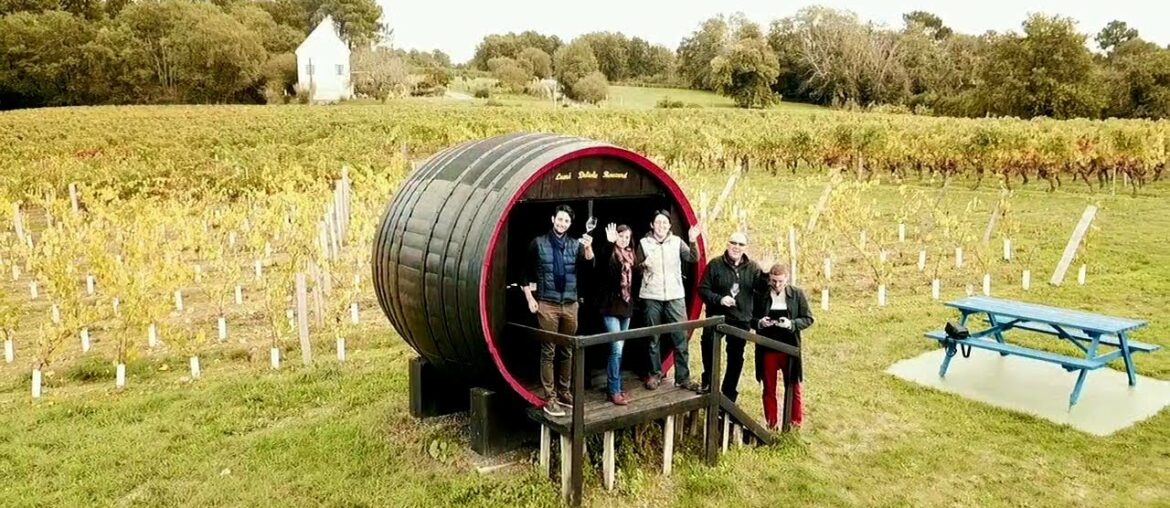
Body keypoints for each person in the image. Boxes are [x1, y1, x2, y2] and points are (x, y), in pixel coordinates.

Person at [522, 204, 595, 417]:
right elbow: (524, 274)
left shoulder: (575, 244)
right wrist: (530, 299)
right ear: (553, 219)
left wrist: (589, 247)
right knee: (549, 350)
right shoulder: (538, 243)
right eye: (560, 219)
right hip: (547, 304)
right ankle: (550, 397)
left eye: (567, 221)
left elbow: (590, 266)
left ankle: (565, 392)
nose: (562, 223)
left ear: (570, 224)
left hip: (570, 304)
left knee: (567, 350)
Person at [637, 209, 702, 392]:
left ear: (669, 225)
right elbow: (634, 268)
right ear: (652, 225)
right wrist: (643, 265)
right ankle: (654, 374)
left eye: (665, 223)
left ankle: (683, 377)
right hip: (651, 296)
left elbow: (693, 258)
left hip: (675, 295)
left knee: (680, 337)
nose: (661, 226)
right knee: (653, 338)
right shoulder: (644, 243)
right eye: (658, 223)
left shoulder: (677, 242)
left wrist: (692, 239)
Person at [698, 231, 764, 402]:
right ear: (727, 244)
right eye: (733, 243)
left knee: (735, 358)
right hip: (717, 316)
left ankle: (728, 395)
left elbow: (762, 290)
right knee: (708, 347)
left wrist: (765, 274)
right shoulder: (715, 265)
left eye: (741, 244)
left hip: (740, 319)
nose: (736, 247)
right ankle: (709, 384)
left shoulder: (753, 268)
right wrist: (720, 300)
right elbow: (703, 290)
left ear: (745, 247)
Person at [753, 263, 814, 430]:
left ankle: (794, 424)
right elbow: (751, 318)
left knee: (793, 386)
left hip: (789, 348)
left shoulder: (796, 294)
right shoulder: (762, 295)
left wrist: (791, 324)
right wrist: (760, 322)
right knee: (769, 388)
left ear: (787, 279)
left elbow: (808, 318)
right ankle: (771, 424)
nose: (777, 285)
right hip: (767, 348)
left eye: (780, 281)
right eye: (773, 281)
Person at [598, 223, 640, 406]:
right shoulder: (610, 254)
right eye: (620, 236)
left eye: (626, 237)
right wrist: (609, 244)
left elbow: (635, 282)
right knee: (615, 348)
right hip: (610, 306)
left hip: (626, 306)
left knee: (619, 349)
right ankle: (614, 390)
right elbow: (602, 267)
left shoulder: (632, 256)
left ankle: (614, 386)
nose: (623, 240)